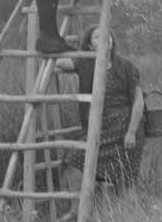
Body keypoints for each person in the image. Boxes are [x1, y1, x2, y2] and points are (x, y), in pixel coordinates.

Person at [56, 26, 146, 192]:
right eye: (98, 37)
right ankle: (77, 210)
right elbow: (60, 62)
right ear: (89, 46)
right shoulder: (86, 64)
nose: (105, 39)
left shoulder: (126, 66)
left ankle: (127, 211)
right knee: (73, 158)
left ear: (112, 41)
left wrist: (131, 132)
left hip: (126, 127)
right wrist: (83, 57)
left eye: (108, 36)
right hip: (101, 128)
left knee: (125, 174)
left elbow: (138, 102)